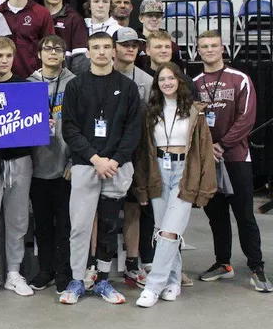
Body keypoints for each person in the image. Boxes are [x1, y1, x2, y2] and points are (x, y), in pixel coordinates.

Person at [59, 31, 141, 305]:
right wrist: (95, 159)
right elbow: (69, 129)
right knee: (80, 226)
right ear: (88, 53)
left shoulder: (127, 87)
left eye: (107, 47)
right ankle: (77, 279)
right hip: (86, 165)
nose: (102, 52)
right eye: (97, 47)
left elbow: (132, 131)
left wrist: (114, 160)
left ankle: (104, 280)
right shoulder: (75, 87)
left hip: (118, 168)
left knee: (108, 225)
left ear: (114, 51)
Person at [133, 62, 217, 307]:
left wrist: (205, 187)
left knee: (169, 231)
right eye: (162, 79)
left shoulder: (194, 111)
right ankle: (173, 281)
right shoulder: (150, 111)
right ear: (157, 85)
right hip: (159, 171)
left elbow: (205, 152)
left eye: (171, 78)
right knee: (164, 232)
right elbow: (142, 152)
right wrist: (141, 185)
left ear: (179, 80)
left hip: (184, 172)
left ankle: (153, 286)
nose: (167, 82)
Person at [194, 31, 272, 291]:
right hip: (207, 161)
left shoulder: (240, 79)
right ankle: (222, 263)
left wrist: (222, 144)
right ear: (198, 50)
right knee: (216, 216)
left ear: (222, 48)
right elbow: (191, 121)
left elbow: (247, 118)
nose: (209, 50)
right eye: (204, 46)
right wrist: (207, 147)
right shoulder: (194, 83)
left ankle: (256, 267)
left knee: (244, 215)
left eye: (214, 45)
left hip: (236, 158)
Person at [0, 36, 35, 298]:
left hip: (21, 160)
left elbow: (35, 121)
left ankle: (13, 272)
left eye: (8, 56)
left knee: (18, 220)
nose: (3, 60)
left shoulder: (24, 86)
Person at [27, 35, 75, 294]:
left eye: (58, 48)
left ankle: (63, 271)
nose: (52, 52)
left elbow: (83, 125)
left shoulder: (75, 84)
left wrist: (75, 160)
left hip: (66, 165)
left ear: (64, 54)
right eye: (47, 48)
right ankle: (45, 269)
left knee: (65, 225)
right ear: (39, 54)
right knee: (42, 225)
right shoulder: (27, 85)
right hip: (37, 165)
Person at [113, 26, 155, 287]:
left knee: (133, 209)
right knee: (101, 211)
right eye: (126, 44)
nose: (131, 49)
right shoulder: (101, 75)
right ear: (114, 47)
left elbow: (151, 122)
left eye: (135, 45)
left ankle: (132, 263)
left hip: (135, 155)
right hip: (105, 154)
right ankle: (97, 263)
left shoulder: (146, 80)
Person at [40, 0, 88, 75]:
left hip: (65, 79)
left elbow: (80, 58)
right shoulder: (36, 15)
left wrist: (74, 82)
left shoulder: (74, 18)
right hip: (39, 78)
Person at [144, 30, 198, 98]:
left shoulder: (185, 81)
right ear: (148, 51)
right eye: (158, 47)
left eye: (167, 47)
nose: (164, 51)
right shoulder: (141, 80)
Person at [136, 0, 185, 72]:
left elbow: (179, 72)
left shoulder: (172, 46)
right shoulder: (135, 44)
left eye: (158, 15)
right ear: (141, 18)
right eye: (150, 15)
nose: (154, 19)